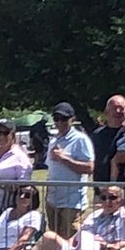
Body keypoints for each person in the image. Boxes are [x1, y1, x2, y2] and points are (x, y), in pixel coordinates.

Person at [44, 102, 95, 239]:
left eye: (64, 119)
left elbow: (89, 168)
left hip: (72, 201)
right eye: (56, 119)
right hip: (53, 199)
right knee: (54, 239)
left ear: (72, 119)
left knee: (70, 239)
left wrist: (64, 158)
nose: (59, 122)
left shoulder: (80, 139)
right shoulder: (53, 140)